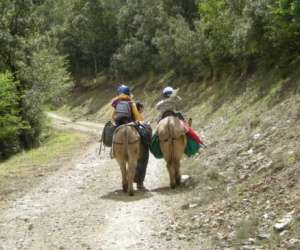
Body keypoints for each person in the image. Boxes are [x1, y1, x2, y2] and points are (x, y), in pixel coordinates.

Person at [134, 101, 152, 190]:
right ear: (140, 108)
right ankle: (140, 183)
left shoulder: (130, 114)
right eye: (142, 108)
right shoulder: (139, 116)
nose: (143, 110)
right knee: (143, 160)